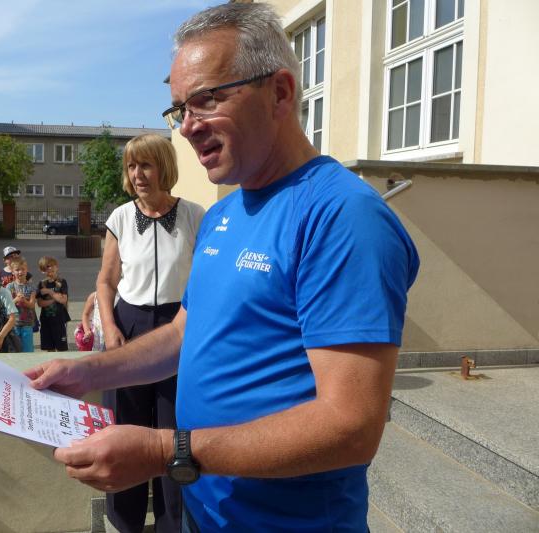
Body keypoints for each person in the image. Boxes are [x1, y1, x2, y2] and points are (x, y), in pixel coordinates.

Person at [26, 3, 420, 532]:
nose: (188, 127)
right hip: (205, 510)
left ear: (280, 92)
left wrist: (165, 451)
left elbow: (351, 427)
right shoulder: (222, 214)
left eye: (207, 100)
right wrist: (88, 371)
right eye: (179, 109)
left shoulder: (342, 216)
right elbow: (182, 335)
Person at [91, 133, 205, 532]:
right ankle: (125, 523)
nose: (137, 174)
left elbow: (205, 280)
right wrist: (110, 327)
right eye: (131, 166)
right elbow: (106, 281)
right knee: (126, 427)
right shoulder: (120, 218)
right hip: (129, 326)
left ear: (164, 168)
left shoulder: (194, 215)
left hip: (178, 328)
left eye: (146, 165)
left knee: (174, 433)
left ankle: (172, 523)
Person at [36, 256, 70, 352]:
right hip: (46, 320)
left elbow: (63, 300)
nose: (50, 268)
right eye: (47, 267)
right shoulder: (41, 284)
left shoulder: (61, 282)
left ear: (56, 267)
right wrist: (55, 299)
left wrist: (49, 292)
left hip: (59, 320)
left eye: (52, 266)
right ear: (42, 271)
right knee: (49, 348)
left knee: (62, 348)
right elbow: (40, 303)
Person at [5, 257, 36, 353]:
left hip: (27, 323)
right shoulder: (9, 286)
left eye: (23, 269)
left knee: (28, 350)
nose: (20, 272)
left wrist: (24, 301)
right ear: (12, 272)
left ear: (27, 270)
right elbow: (7, 305)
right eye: (17, 270)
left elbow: (32, 305)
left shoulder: (31, 287)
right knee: (15, 350)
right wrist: (16, 300)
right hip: (14, 324)